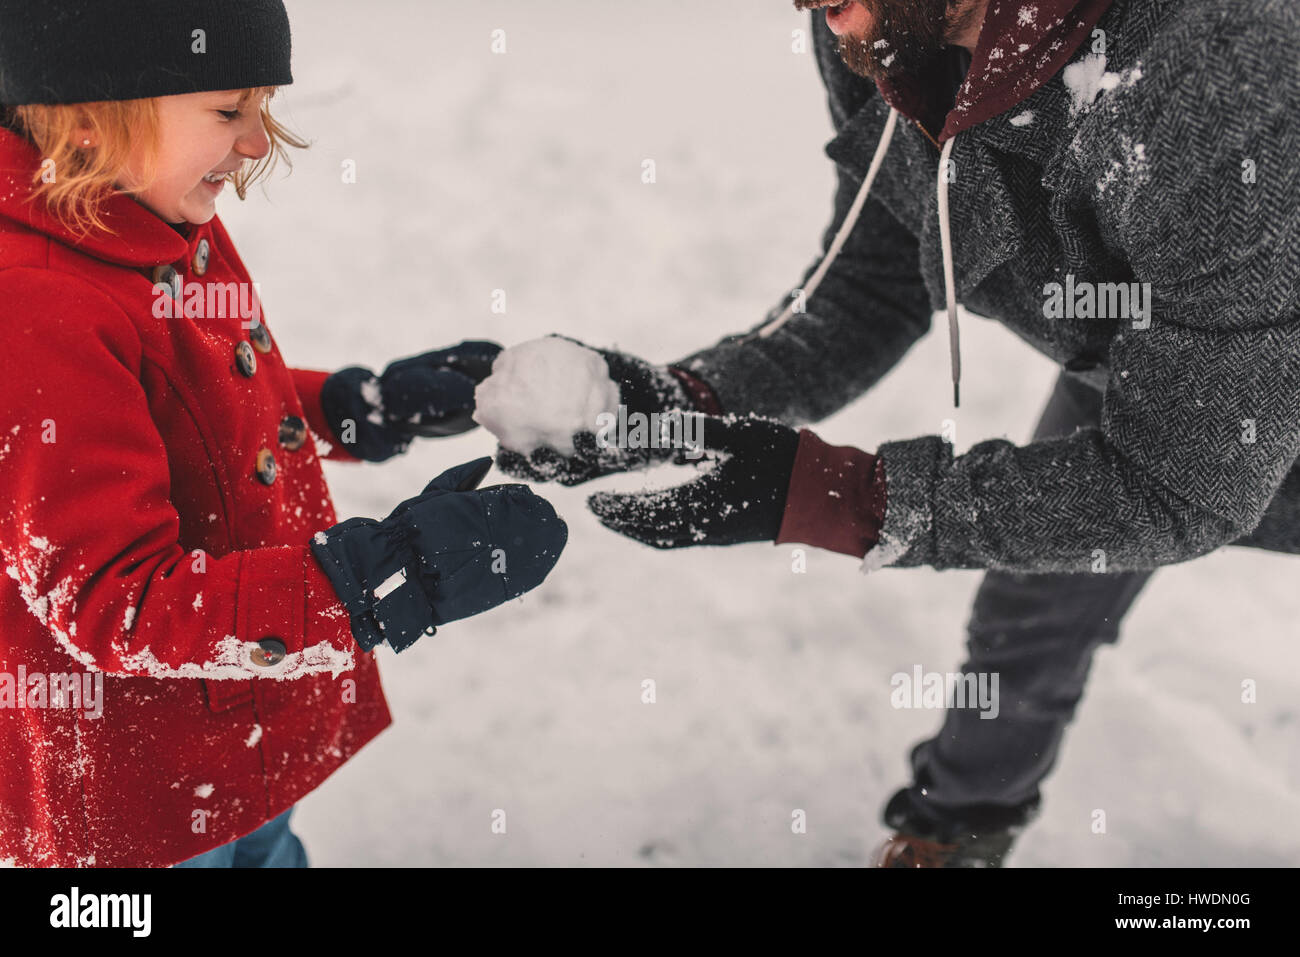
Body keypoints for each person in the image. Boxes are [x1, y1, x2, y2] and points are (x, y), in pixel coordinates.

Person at [496, 0, 1300, 866]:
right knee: (1031, 607)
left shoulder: (1222, 69)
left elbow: (1176, 482)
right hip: (1161, 363)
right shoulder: (881, 28)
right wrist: (686, 398)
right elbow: (878, 274)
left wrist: (845, 499)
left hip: (1234, 389)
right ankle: (955, 830)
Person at [0, 0, 567, 868]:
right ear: (86, 122)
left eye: (262, 104)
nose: (259, 141)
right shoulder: (38, 302)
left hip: (232, 736)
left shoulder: (143, 205)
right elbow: (115, 599)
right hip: (141, 799)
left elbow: (189, 409)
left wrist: (353, 406)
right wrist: (385, 577)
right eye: (229, 110)